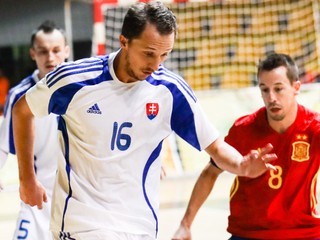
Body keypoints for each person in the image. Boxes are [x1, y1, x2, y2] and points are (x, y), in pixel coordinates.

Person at [12, 2, 276, 240]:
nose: (156, 64)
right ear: (124, 41)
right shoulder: (75, 80)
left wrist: (242, 165)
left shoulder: (170, 91)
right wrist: (27, 180)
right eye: (149, 53)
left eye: (164, 55)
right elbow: (22, 111)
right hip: (81, 221)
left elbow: (215, 147)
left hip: (140, 225)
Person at [172, 53, 320, 240]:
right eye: (264, 90)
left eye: (278, 89)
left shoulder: (314, 129)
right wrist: (185, 225)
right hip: (249, 233)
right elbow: (210, 173)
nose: (271, 97)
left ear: (296, 87)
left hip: (303, 232)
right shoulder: (244, 130)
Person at [0, 20, 70, 239]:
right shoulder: (19, 95)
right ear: (32, 53)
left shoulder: (84, 88)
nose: (50, 57)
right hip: (36, 197)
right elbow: (3, 145)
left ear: (66, 51)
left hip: (77, 199)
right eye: (43, 51)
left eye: (56, 50)